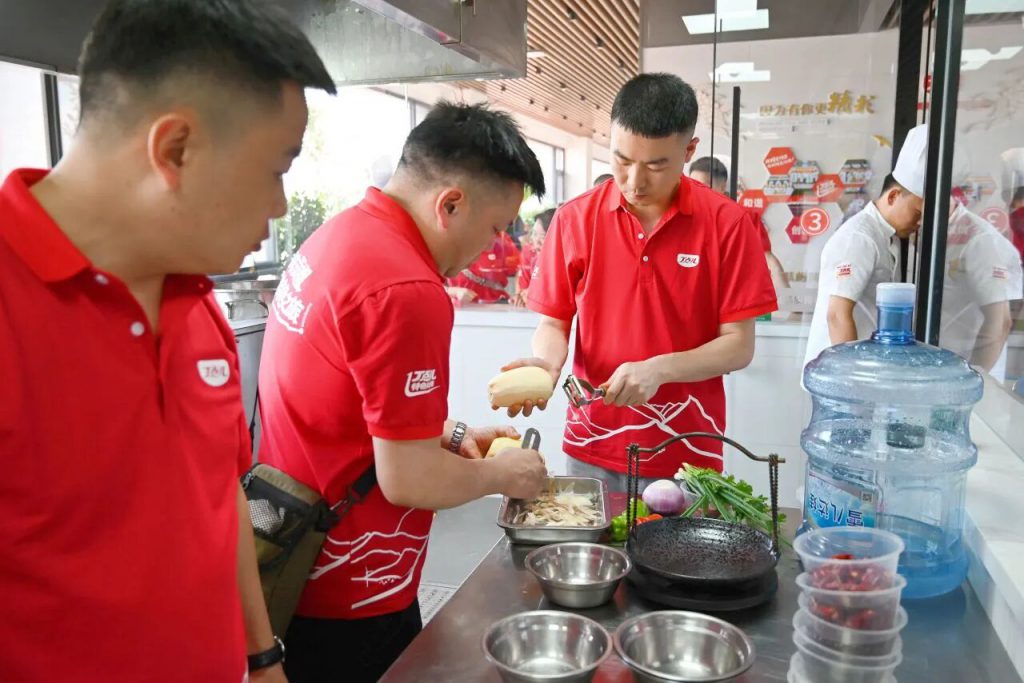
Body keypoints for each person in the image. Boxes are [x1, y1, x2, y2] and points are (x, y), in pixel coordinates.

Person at [0, 1, 335, 681]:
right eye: (276, 170)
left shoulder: (196, 303)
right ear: (175, 149)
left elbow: (220, 496)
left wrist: (261, 655)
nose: (278, 207)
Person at [257, 102, 548, 683]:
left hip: (294, 545)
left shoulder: (339, 236)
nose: (491, 247)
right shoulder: (407, 288)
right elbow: (408, 479)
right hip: (354, 580)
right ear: (450, 204)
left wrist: (453, 435)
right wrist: (502, 475)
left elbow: (347, 403)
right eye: (494, 229)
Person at [501, 73, 777, 490]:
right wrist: (547, 364)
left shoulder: (729, 224)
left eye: (655, 165)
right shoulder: (575, 219)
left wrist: (659, 370)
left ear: (689, 151)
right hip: (592, 440)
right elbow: (554, 323)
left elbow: (739, 345)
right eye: (622, 160)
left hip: (687, 450)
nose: (634, 181)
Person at [803, 125, 928, 370]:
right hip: (840, 373)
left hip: (865, 367)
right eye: (917, 213)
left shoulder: (887, 236)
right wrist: (853, 378)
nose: (919, 222)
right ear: (893, 197)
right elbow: (837, 315)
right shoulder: (859, 238)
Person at [942, 196, 1022, 372]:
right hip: (933, 366)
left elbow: (1000, 322)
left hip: (965, 369)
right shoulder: (929, 230)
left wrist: (975, 376)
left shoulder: (981, 239)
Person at [689, 155, 791, 294]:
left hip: (733, 297)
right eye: (692, 185)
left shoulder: (745, 218)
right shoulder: (682, 219)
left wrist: (788, 299)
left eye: (703, 186)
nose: (696, 191)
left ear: (722, 187)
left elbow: (768, 260)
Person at [445, 224, 521, 304]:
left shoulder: (501, 240)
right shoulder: (453, 240)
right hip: (460, 307)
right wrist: (454, 291)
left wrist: (518, 295)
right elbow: (436, 284)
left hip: (496, 305)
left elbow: (519, 269)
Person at [515, 207, 557, 306]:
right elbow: (525, 289)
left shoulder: (568, 262)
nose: (536, 241)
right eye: (534, 234)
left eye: (542, 236)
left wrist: (535, 294)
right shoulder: (532, 255)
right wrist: (521, 297)